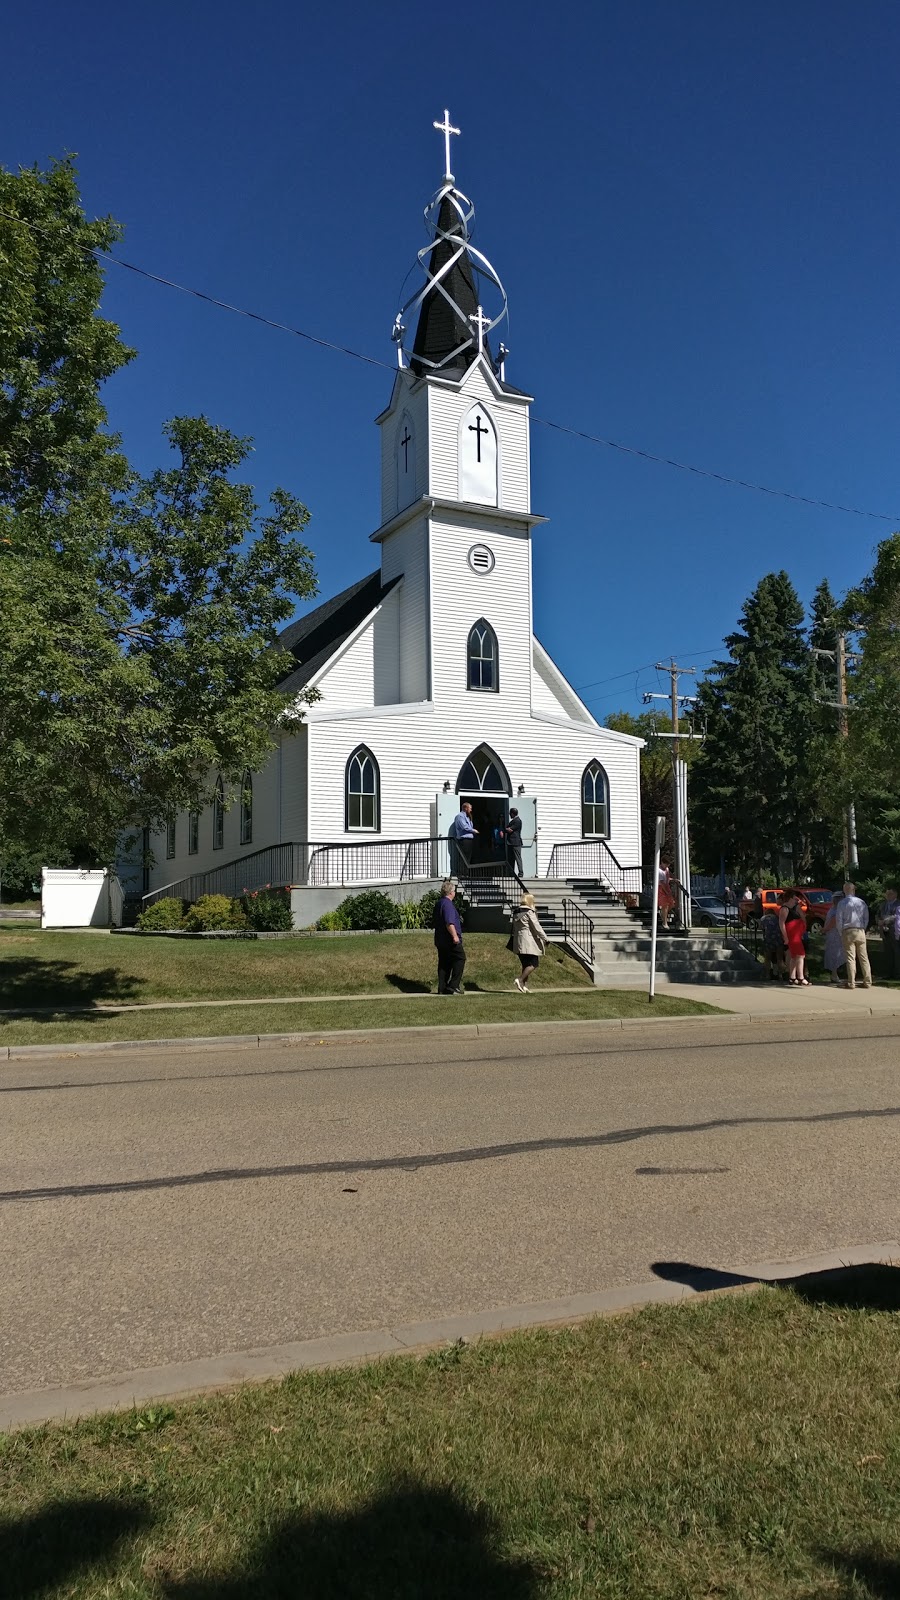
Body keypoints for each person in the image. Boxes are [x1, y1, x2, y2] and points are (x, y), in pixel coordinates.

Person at [835, 882, 872, 989]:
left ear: (844, 890)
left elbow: (839, 919)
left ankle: (851, 982)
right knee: (864, 957)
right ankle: (867, 981)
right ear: (853, 890)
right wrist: (863, 928)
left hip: (848, 930)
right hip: (860, 930)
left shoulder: (842, 903)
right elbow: (866, 917)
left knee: (851, 958)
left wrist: (840, 931)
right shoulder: (861, 902)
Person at [509, 892, 549, 993]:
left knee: (525, 964)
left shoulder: (516, 912)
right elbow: (537, 927)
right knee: (533, 964)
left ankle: (524, 986)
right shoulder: (529, 912)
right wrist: (545, 938)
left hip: (518, 940)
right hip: (529, 941)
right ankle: (520, 980)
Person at [433, 878, 466, 995]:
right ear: (451, 892)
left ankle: (442, 987)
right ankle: (453, 986)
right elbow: (449, 922)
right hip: (449, 939)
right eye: (454, 891)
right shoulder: (448, 905)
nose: (455, 893)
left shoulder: (439, 903)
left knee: (444, 962)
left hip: (440, 939)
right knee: (460, 958)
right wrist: (454, 936)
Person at [782, 893, 809, 985]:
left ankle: (792, 977)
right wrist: (785, 937)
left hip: (798, 933)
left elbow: (803, 916)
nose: (796, 899)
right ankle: (801, 977)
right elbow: (781, 924)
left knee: (794, 956)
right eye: (794, 898)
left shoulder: (796, 907)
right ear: (790, 898)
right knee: (800, 955)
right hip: (792, 934)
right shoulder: (785, 909)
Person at [876, 885, 900, 980]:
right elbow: (877, 914)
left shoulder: (898, 904)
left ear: (895, 894)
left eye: (890, 894)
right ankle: (888, 973)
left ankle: (897, 974)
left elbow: (896, 916)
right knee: (887, 952)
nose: (888, 895)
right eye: (887, 894)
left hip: (894, 931)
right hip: (884, 931)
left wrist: (885, 920)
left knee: (897, 953)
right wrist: (878, 921)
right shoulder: (883, 904)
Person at [822, 892, 846, 986]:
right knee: (834, 953)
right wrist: (825, 929)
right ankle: (834, 974)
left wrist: (825, 929)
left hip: (834, 933)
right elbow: (833, 922)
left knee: (836, 953)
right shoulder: (836, 910)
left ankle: (835, 974)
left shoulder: (834, 909)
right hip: (834, 934)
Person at [448, 802, 477, 874]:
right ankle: (462, 873)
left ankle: (466, 873)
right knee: (463, 857)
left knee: (468, 857)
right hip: (464, 840)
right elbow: (464, 827)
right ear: (465, 808)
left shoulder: (467, 817)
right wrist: (473, 830)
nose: (471, 810)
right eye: (470, 808)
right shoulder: (460, 816)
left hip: (469, 840)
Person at [760, 903, 786, 981]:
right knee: (780, 958)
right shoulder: (778, 918)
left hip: (768, 940)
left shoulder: (763, 918)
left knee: (767, 959)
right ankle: (780, 975)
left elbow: (761, 928)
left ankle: (767, 975)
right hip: (778, 939)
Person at [504, 807, 524, 877]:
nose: (510, 815)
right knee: (511, 859)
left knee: (517, 858)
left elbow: (510, 830)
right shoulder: (513, 821)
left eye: (510, 814)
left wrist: (506, 829)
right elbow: (507, 828)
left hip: (516, 842)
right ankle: (511, 873)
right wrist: (507, 829)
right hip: (511, 843)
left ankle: (520, 873)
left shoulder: (517, 821)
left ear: (512, 813)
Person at [657, 860, 676, 928]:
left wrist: (673, 880)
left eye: (668, 865)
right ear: (662, 863)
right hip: (661, 888)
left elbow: (667, 879)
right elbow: (662, 882)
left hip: (667, 887)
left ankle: (663, 914)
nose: (667, 866)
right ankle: (665, 923)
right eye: (666, 864)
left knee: (672, 904)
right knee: (665, 905)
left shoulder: (667, 869)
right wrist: (666, 892)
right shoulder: (659, 871)